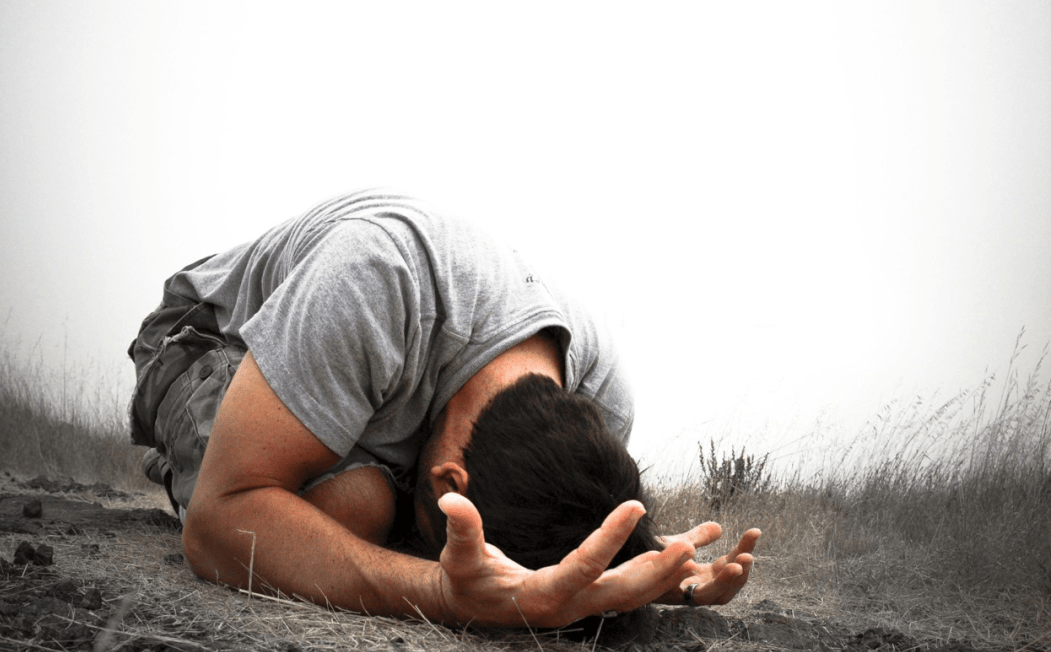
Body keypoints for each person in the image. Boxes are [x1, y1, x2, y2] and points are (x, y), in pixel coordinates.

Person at [128, 189, 760, 628]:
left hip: (376, 396)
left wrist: (634, 567)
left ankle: (305, 448)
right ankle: (201, 452)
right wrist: (448, 594)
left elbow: (569, 538)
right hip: (206, 334)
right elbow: (218, 524)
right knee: (355, 509)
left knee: (364, 510)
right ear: (449, 485)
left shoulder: (603, 398)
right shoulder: (373, 282)